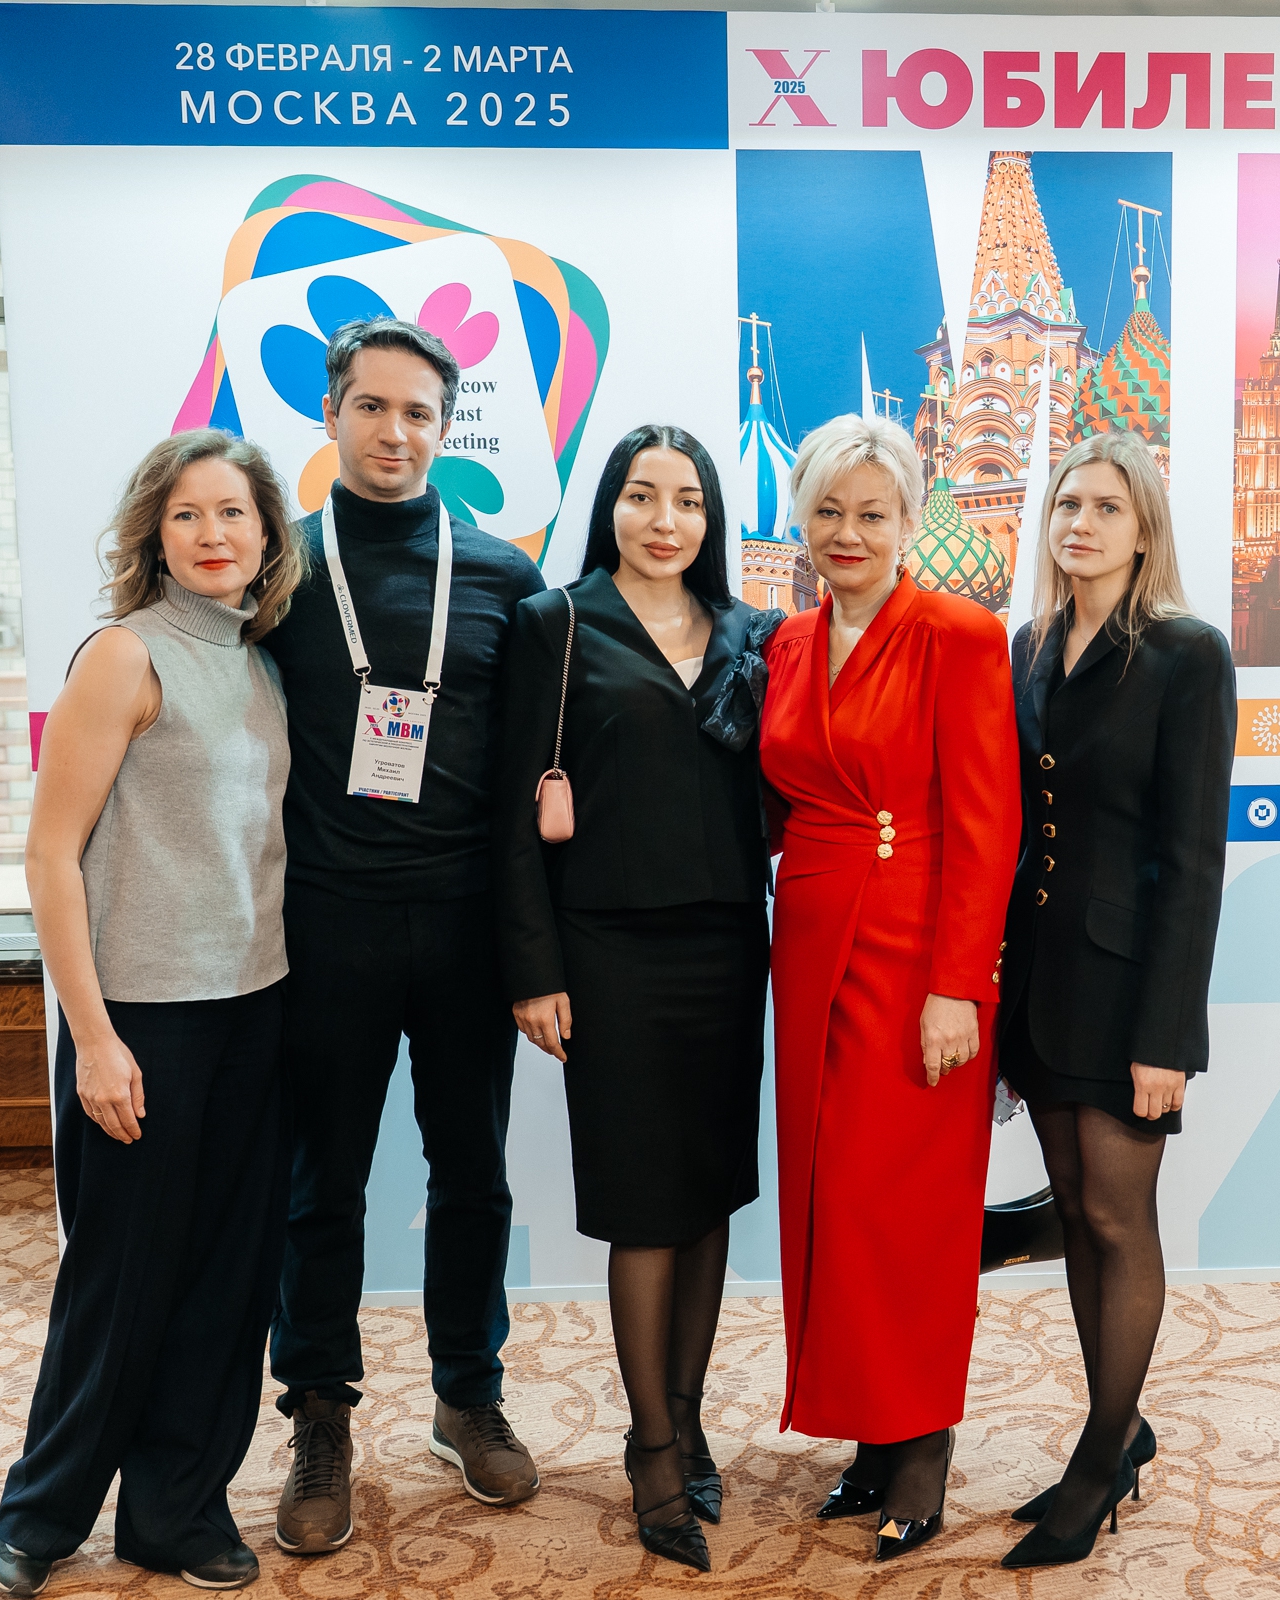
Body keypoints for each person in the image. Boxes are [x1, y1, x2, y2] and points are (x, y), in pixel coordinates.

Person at [0, 430, 302, 1596]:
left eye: (234, 513)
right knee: (120, 1281)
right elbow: (50, 856)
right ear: (154, 537)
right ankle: (42, 1512)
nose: (215, 533)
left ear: (267, 534)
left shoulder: (259, 664)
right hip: (144, 1022)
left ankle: (175, 1510)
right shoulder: (125, 654)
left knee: (227, 1280)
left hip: (256, 1010)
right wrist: (95, 1038)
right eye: (188, 515)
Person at [264, 318, 547, 1556]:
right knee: (321, 1181)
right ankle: (319, 1413)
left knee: (471, 1174)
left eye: (419, 412)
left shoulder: (502, 576)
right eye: (372, 407)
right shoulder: (274, 568)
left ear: (446, 426)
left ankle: (466, 1395)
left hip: (467, 927)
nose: (395, 431)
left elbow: (534, 771)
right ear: (331, 413)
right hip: (324, 922)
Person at [501, 425, 780, 1574]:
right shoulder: (556, 624)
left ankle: (690, 1415)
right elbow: (512, 810)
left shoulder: (751, 633)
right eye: (641, 495)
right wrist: (533, 967)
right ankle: (652, 1448)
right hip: (606, 949)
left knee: (708, 1195)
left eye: (688, 500)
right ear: (608, 505)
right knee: (643, 1205)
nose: (666, 520)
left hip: (728, 945)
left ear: (712, 519)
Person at [757, 413, 1021, 1562]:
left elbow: (989, 823)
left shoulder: (960, 634)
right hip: (811, 942)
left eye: (871, 512)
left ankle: (921, 1443)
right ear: (801, 519)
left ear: (910, 519)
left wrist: (959, 984)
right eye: (827, 510)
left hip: (918, 952)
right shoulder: (788, 641)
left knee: (908, 1209)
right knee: (831, 1201)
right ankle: (867, 1432)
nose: (848, 532)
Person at [995, 430, 1235, 1569]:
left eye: (1105, 508)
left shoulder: (1188, 653)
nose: (1080, 524)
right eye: (1066, 505)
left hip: (1131, 993)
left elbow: (1192, 861)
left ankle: (1100, 1462)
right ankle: (1117, 1425)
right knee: (1077, 1217)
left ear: (1144, 530)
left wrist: (1168, 1038)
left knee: (1116, 1218)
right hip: (1042, 983)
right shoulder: (1030, 645)